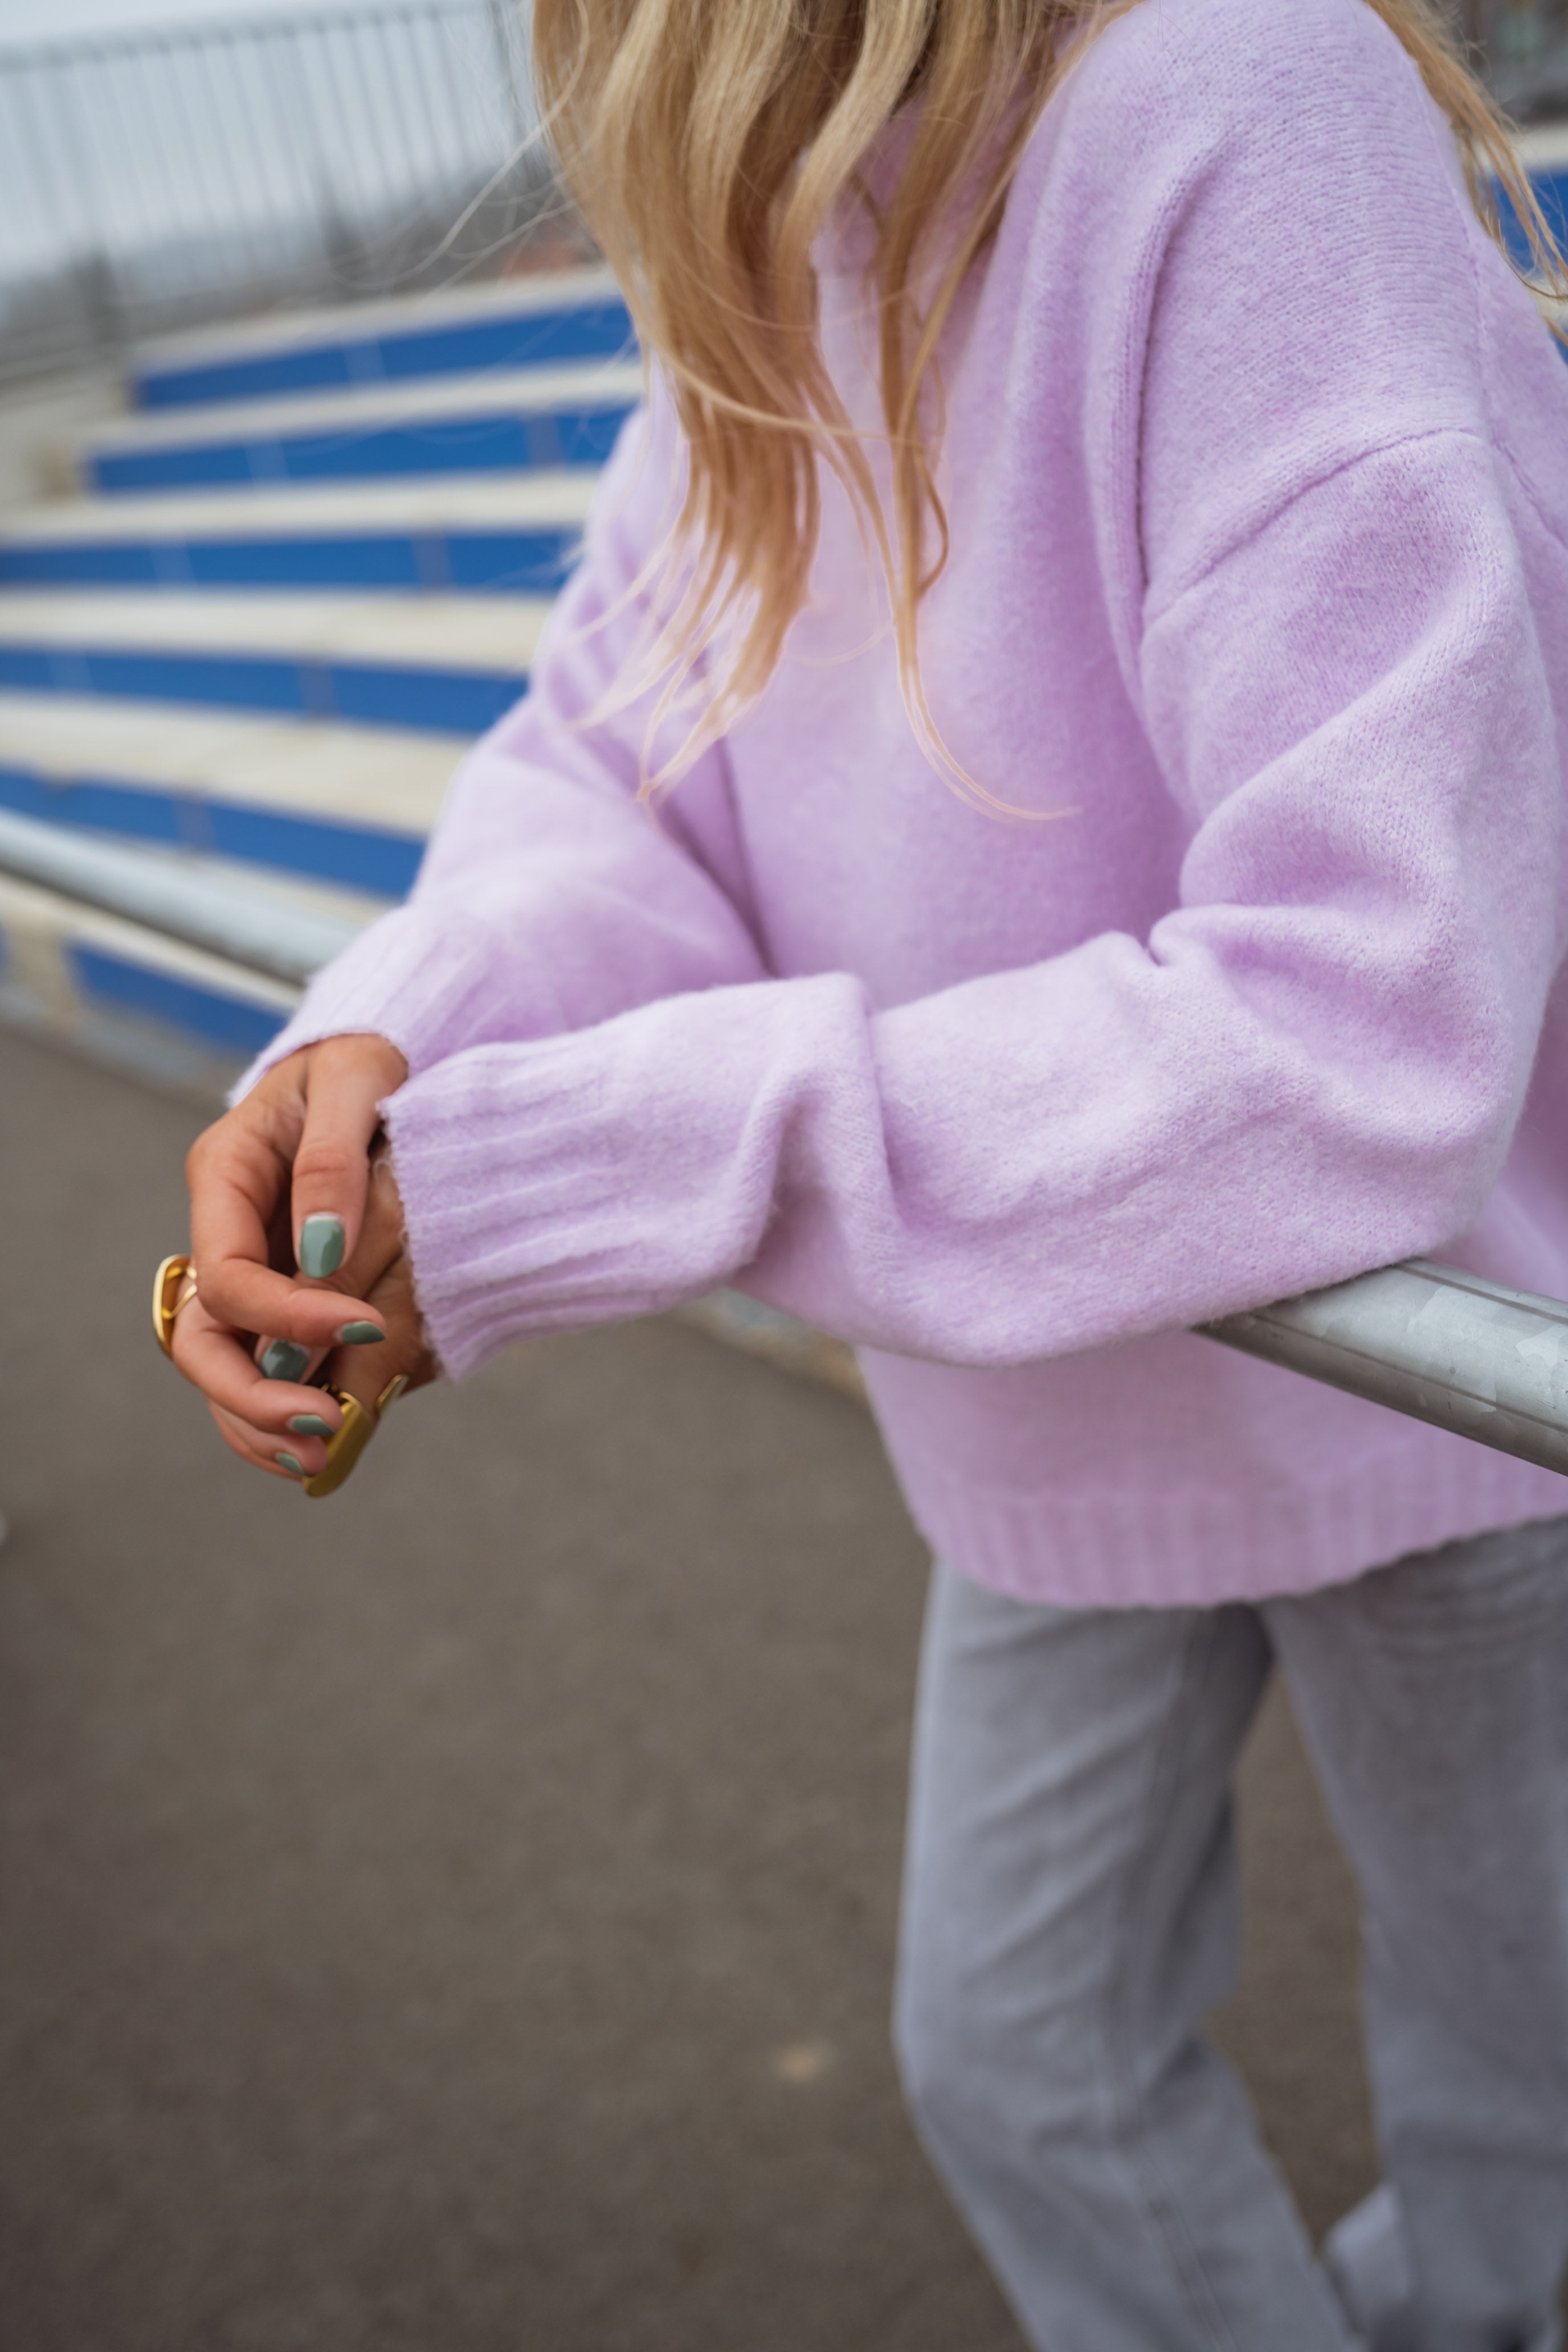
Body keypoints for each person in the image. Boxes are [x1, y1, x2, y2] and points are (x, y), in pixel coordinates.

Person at [165, 0, 1568, 2343]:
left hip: (1454, 1366)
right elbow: (623, 764)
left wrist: (614, 1155)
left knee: (1526, 2109)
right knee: (1020, 2062)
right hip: (1051, 1375)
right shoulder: (771, 208)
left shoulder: (1235, 86)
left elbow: (1364, 1022)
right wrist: (385, 1056)